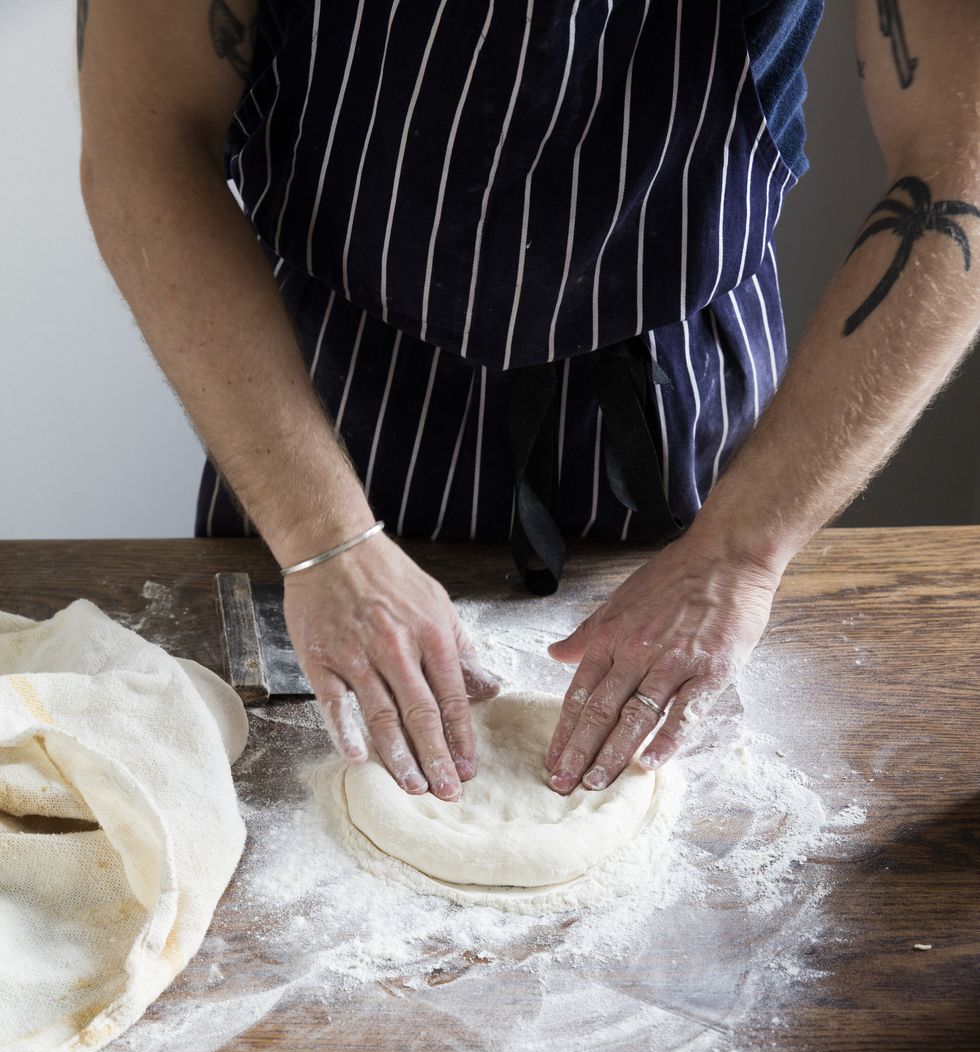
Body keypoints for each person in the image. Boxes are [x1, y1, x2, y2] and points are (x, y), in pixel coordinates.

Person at [78, 1, 980, 804]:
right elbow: (145, 138)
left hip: (678, 417)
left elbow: (960, 164)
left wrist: (742, 551)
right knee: (262, 791)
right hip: (319, 406)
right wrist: (325, 542)